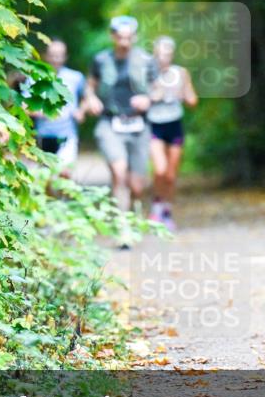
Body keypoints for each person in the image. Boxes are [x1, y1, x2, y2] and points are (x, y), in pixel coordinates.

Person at [82, 16, 158, 240]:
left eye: (128, 37)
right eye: (120, 37)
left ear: (134, 37)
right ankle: (122, 227)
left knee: (137, 185)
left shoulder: (146, 60)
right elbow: (90, 86)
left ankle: (134, 217)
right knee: (118, 172)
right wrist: (91, 99)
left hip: (138, 125)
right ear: (112, 36)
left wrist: (148, 99)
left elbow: (158, 89)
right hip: (110, 123)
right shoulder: (101, 60)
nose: (124, 41)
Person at [147, 35, 198, 231]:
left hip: (175, 124)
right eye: (160, 53)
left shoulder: (181, 73)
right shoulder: (148, 74)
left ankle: (166, 211)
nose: (163, 57)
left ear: (172, 55)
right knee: (159, 170)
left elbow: (192, 100)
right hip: (155, 125)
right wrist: (154, 95)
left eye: (167, 53)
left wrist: (183, 94)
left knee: (170, 174)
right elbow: (140, 99)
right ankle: (156, 207)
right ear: (155, 54)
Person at [29, 39, 85, 176]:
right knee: (47, 177)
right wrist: (40, 113)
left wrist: (81, 111)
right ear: (46, 55)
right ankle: (51, 198)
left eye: (60, 55)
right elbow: (24, 105)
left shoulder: (76, 77)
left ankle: (64, 198)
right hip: (43, 135)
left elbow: (86, 97)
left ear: (66, 57)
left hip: (67, 134)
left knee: (65, 173)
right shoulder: (34, 77)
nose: (56, 59)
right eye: (53, 55)